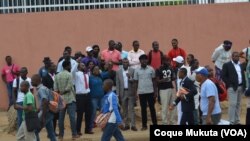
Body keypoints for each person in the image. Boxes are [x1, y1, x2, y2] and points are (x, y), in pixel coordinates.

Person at [54, 61, 80, 140]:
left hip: (61, 99)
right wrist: (64, 91)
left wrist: (60, 93)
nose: (71, 67)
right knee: (72, 117)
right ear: (68, 66)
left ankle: (61, 135)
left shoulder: (57, 76)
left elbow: (55, 88)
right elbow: (69, 87)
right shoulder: (69, 75)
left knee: (61, 118)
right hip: (70, 98)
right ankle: (74, 134)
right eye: (70, 65)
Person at [134, 54, 157, 130]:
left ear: (147, 60)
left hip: (150, 92)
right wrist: (135, 93)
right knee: (143, 109)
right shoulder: (137, 70)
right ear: (140, 61)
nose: (144, 61)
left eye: (145, 59)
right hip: (141, 92)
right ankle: (144, 125)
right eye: (142, 59)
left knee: (152, 108)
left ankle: (155, 124)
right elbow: (136, 82)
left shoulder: (151, 69)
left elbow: (154, 81)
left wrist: (155, 92)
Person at [222, 51, 245, 125]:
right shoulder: (227, 65)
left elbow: (242, 75)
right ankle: (231, 121)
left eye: (238, 56)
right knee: (232, 104)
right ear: (232, 57)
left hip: (240, 87)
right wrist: (229, 84)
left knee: (238, 104)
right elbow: (223, 76)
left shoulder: (240, 65)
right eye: (235, 56)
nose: (237, 57)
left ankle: (237, 120)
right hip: (232, 88)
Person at [31, 74, 57, 141]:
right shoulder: (44, 88)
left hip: (45, 113)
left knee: (35, 131)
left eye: (32, 81)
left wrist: (42, 116)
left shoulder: (41, 90)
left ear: (37, 81)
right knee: (51, 133)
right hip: (49, 112)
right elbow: (44, 102)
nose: (31, 82)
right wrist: (39, 109)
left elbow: (45, 101)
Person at [116, 58, 137, 131]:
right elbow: (117, 84)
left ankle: (133, 125)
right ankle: (126, 124)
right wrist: (117, 95)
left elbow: (134, 82)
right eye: (124, 62)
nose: (125, 64)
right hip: (123, 92)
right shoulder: (118, 71)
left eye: (126, 62)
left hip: (130, 92)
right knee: (124, 110)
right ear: (122, 63)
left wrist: (130, 77)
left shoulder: (132, 70)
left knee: (131, 109)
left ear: (128, 63)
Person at [155, 55, 176, 125]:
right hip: (163, 90)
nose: (169, 62)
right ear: (163, 61)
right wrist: (164, 80)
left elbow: (173, 78)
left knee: (173, 106)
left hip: (171, 88)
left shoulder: (171, 68)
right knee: (164, 107)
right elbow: (157, 81)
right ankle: (165, 122)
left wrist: (174, 77)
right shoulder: (159, 69)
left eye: (169, 60)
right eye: (167, 60)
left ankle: (172, 121)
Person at [73, 63, 93, 135]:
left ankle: (87, 129)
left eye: (84, 65)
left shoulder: (86, 74)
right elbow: (72, 71)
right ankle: (78, 130)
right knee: (80, 114)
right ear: (78, 67)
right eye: (82, 65)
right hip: (80, 96)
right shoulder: (76, 74)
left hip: (87, 95)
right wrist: (76, 63)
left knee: (88, 113)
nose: (84, 66)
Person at [42, 63, 59, 136]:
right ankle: (50, 132)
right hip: (49, 98)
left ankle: (53, 131)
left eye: (55, 66)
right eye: (53, 66)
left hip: (56, 98)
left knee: (55, 116)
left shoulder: (57, 75)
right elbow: (44, 88)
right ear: (49, 68)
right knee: (50, 115)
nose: (55, 67)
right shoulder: (45, 77)